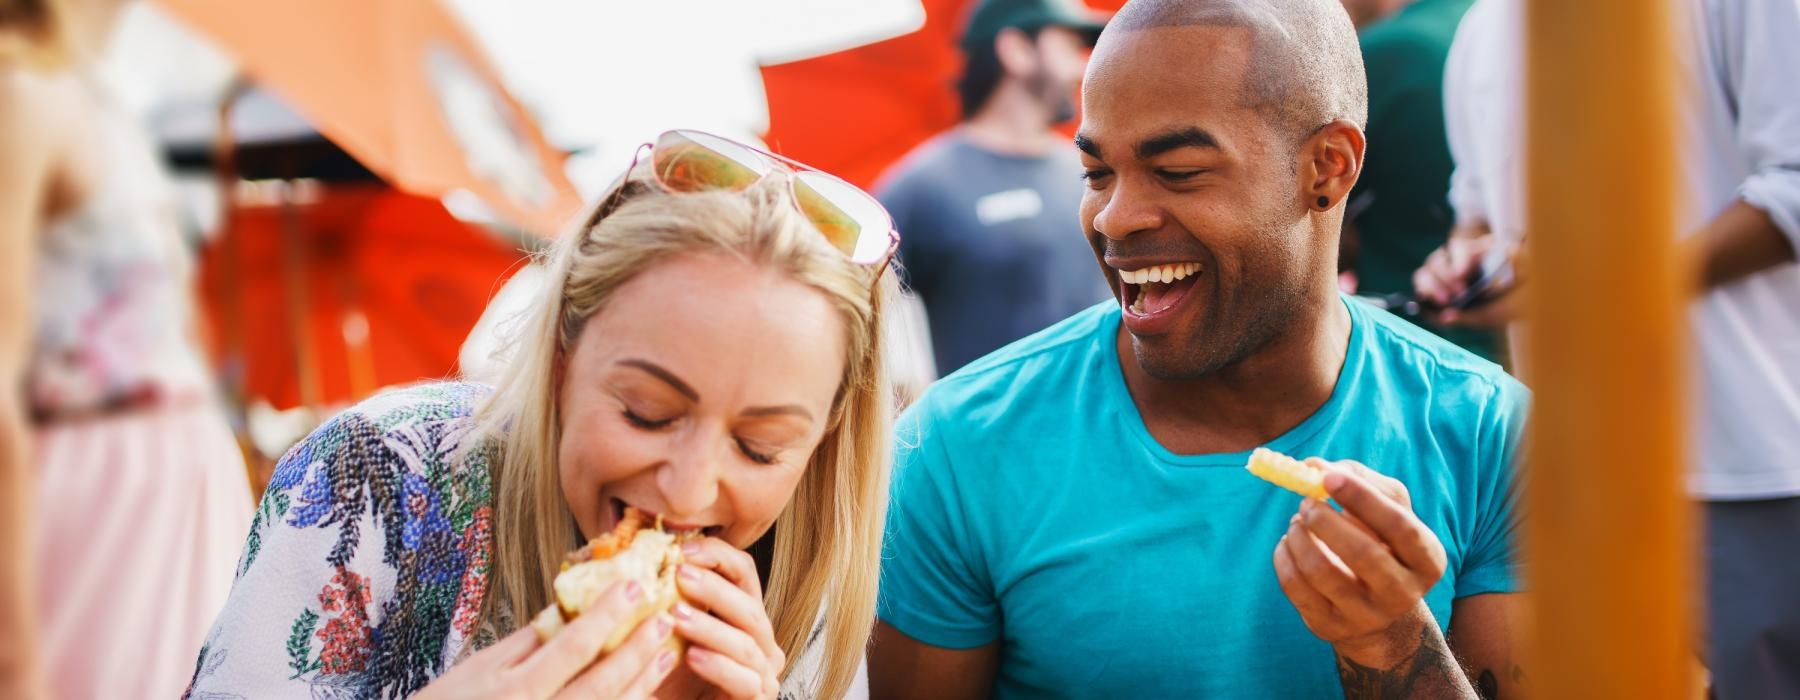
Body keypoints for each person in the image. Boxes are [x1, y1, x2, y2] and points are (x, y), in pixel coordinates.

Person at [870, 0, 1528, 697]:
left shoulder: (1493, 438)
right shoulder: (955, 450)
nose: (1115, 216)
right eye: (1097, 174)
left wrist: (1392, 642)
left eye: (1178, 170)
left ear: (1328, 167)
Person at [185, 130, 900, 699]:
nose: (686, 492)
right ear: (562, 358)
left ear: (822, 441)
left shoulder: (799, 589)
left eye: (760, 446)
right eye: (647, 414)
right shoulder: (375, 474)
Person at [1413, 0, 1800, 695]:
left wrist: (1590, 288)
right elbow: (1476, 213)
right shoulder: (1483, 27)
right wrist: (1464, 265)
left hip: (1753, 460)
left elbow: (1793, 189)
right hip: (1569, 475)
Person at [1, 0, 254, 697]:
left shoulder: (100, 101)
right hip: (105, 517)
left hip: (178, 500)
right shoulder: (20, 93)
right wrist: (15, 656)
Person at [876, 0, 1112, 375]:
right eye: (1069, 46)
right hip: (985, 432)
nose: (1081, 66)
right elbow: (848, 307)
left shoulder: (1090, 172)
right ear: (1016, 50)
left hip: (1106, 425)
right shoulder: (925, 185)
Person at [1333, 0, 1496, 360]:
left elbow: (1298, 233)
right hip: (1514, 361)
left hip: (1414, 358)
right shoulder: (1479, 26)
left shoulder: (1382, 51)